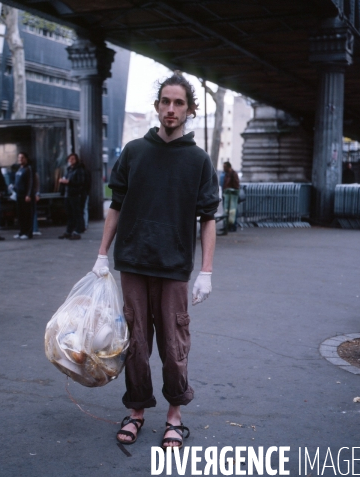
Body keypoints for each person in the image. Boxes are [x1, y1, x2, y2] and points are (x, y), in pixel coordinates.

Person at [92, 72, 220, 449]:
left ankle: (174, 415)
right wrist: (101, 255)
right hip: (132, 262)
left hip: (174, 267)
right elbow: (115, 206)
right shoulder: (134, 152)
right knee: (134, 345)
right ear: (157, 106)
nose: (171, 109)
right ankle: (136, 411)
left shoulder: (198, 160)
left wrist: (206, 272)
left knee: (174, 346)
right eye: (165, 101)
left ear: (190, 110)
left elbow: (208, 218)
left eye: (179, 103)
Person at [58, 153, 85, 240]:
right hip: (67, 194)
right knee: (69, 214)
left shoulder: (79, 170)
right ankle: (68, 231)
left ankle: (77, 231)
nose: (71, 160)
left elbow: (81, 182)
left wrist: (68, 182)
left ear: (76, 160)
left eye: (73, 159)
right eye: (70, 159)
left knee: (76, 214)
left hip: (75, 195)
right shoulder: (69, 169)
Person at [13, 152, 34, 240]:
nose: (20, 159)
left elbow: (30, 182)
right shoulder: (19, 169)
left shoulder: (28, 169)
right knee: (20, 215)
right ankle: (22, 232)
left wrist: (28, 195)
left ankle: (28, 233)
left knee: (27, 215)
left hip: (25, 196)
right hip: (19, 195)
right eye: (19, 157)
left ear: (26, 159)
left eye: (22, 157)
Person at [32, 171, 42, 236]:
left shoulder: (34, 174)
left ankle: (35, 229)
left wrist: (37, 194)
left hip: (31, 195)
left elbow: (37, 185)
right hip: (26, 195)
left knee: (33, 212)